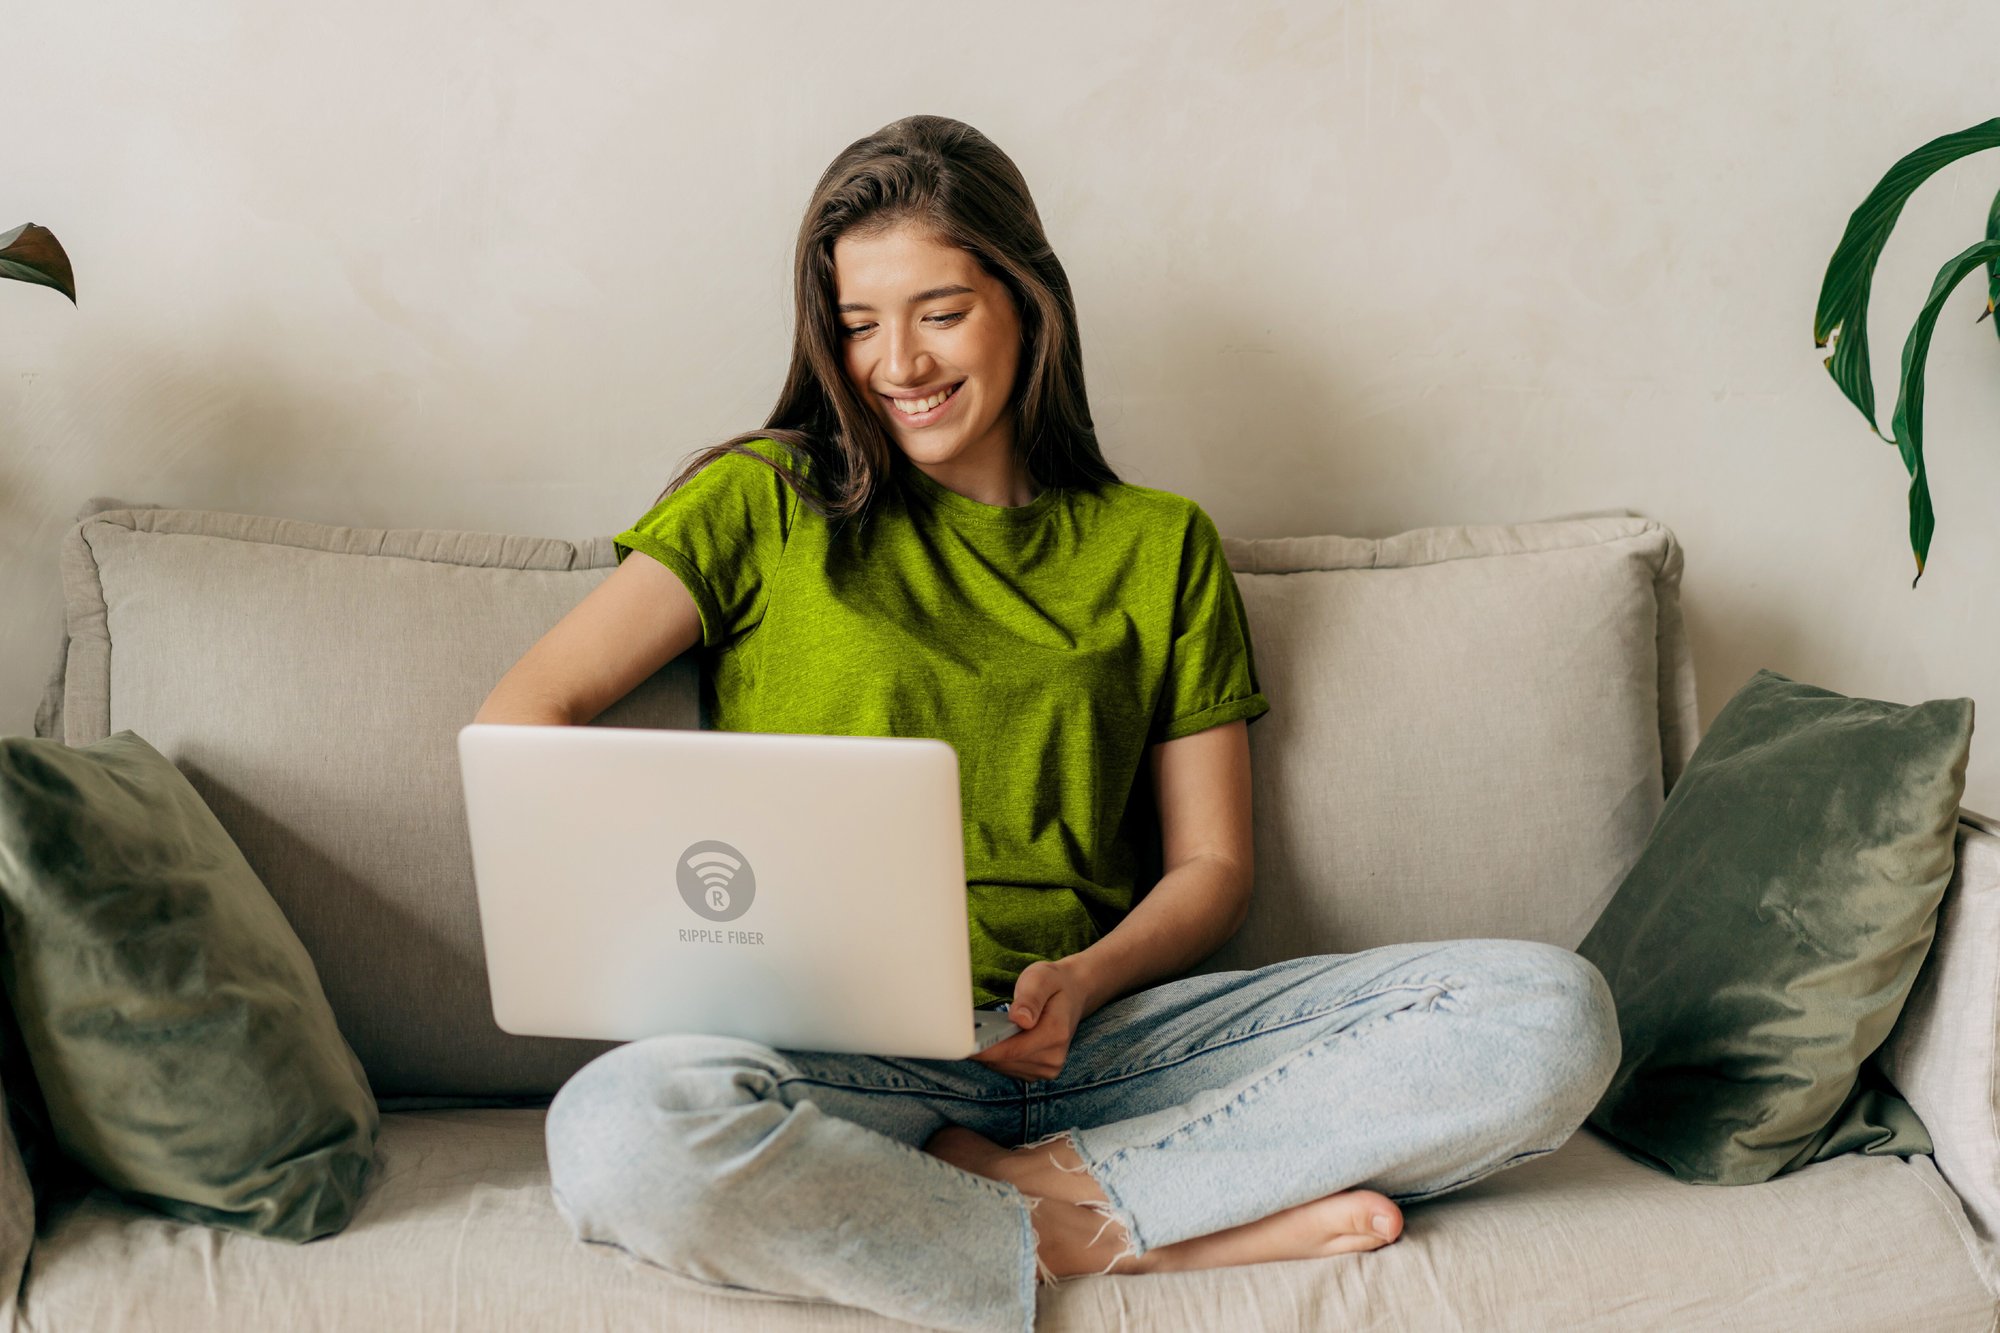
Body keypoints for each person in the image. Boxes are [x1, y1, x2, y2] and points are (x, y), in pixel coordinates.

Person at [474, 114, 1621, 1333]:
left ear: (1027, 303)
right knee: (617, 1132)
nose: (895, 362)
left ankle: (1036, 1195)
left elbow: (1212, 868)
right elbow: (523, 718)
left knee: (1550, 1013)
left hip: (1110, 1043)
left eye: (939, 310)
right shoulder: (762, 500)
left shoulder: (1159, 544)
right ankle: (1127, 1232)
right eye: (858, 324)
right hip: (839, 1061)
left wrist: (1082, 978)